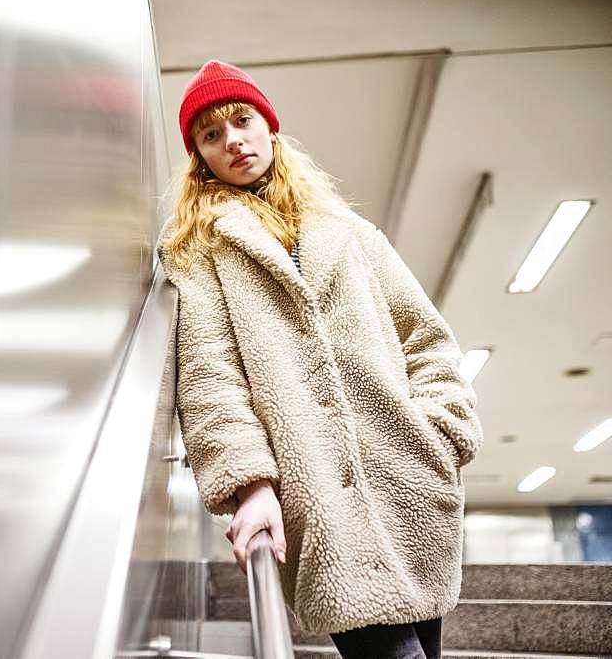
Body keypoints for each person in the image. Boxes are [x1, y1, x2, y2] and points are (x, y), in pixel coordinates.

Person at [155, 60, 485, 659]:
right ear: (199, 156)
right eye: (211, 134)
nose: (232, 139)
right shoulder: (198, 252)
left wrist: (442, 430)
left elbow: (426, 336)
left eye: (242, 120)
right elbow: (210, 378)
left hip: (410, 477)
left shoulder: (350, 232)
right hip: (318, 496)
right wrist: (251, 486)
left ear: (269, 128)